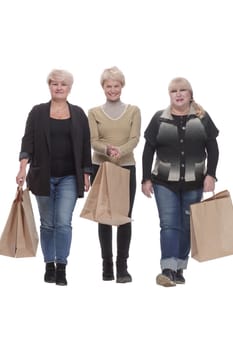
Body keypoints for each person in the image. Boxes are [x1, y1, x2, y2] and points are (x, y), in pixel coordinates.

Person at [16, 69, 92, 286]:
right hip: (42, 175)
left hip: (69, 176)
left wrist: (86, 173)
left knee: (63, 223)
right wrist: (22, 168)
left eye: (63, 84)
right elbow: (27, 142)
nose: (59, 87)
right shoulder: (37, 112)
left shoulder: (78, 113)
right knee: (48, 224)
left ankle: (62, 266)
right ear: (49, 86)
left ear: (69, 88)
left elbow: (86, 144)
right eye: (54, 84)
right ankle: (49, 264)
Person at [141, 77, 219, 287]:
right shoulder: (159, 118)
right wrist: (146, 178)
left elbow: (212, 148)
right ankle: (167, 269)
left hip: (195, 182)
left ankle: (179, 267)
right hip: (164, 182)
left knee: (186, 226)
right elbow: (148, 149)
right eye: (174, 90)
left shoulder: (202, 118)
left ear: (190, 93)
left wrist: (211, 175)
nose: (178, 94)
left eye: (182, 90)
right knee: (168, 224)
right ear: (170, 95)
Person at [88, 66, 141, 283]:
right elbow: (93, 141)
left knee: (124, 218)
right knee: (104, 217)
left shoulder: (133, 110)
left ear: (122, 86)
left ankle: (123, 267)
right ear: (103, 87)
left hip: (126, 166)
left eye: (116, 85)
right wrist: (108, 149)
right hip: (100, 168)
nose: (112, 90)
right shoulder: (93, 112)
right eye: (108, 86)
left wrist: (121, 151)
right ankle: (107, 266)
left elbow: (135, 138)